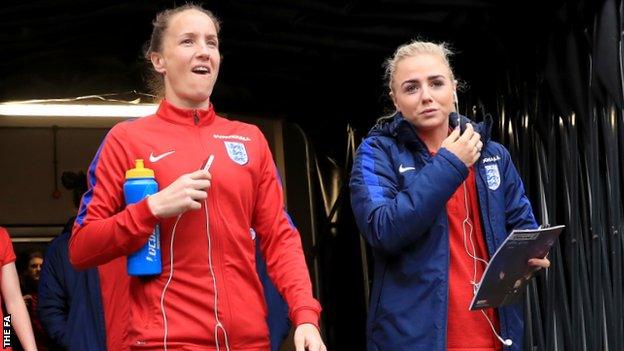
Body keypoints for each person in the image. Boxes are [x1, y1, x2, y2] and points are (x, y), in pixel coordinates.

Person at [69, 4, 324, 351]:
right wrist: (151, 208)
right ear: (159, 60)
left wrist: (305, 314)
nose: (204, 50)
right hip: (166, 340)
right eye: (188, 41)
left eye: (212, 42)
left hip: (248, 341)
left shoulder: (249, 139)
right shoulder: (126, 140)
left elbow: (279, 237)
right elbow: (81, 248)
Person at [349, 40, 550, 351]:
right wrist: (450, 164)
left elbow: (522, 227)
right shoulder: (376, 153)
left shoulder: (492, 154)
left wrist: (533, 255)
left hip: (496, 338)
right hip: (412, 341)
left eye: (436, 83)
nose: (426, 96)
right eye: (411, 87)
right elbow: (382, 229)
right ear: (395, 100)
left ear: (454, 87)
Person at [0, 227, 38, 351]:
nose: (38, 269)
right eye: (34, 266)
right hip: (7, 320)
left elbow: (14, 301)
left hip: (7, 322)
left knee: (7, 335)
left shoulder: (1, 236)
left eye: (40, 266)